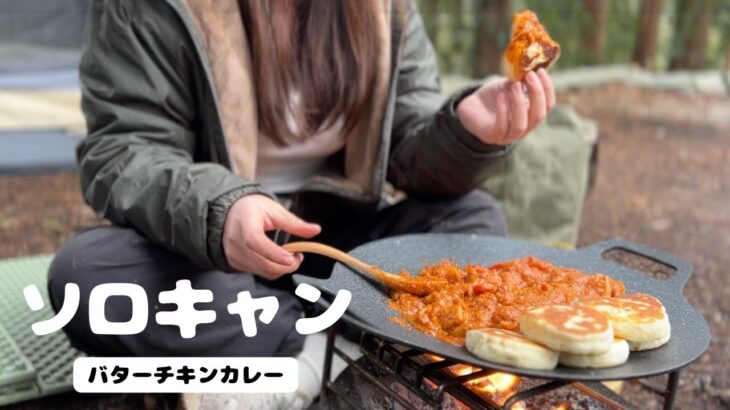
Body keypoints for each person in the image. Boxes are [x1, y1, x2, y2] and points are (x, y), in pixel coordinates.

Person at [48, 0, 555, 408]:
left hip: (339, 250)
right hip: (209, 256)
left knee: (474, 222)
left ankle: (298, 366)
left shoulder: (387, 7)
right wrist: (220, 210)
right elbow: (124, 150)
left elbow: (408, 148)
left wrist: (466, 132)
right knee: (87, 276)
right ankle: (347, 351)